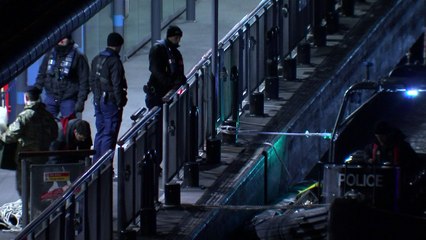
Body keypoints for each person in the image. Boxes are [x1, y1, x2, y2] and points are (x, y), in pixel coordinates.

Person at [0, 86, 58, 197]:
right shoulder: (48, 115)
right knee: (39, 189)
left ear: (26, 98)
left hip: (26, 160)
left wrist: (1, 133)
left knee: (25, 190)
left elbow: (9, 136)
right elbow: (54, 134)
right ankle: (37, 211)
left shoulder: (25, 116)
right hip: (43, 158)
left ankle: (29, 213)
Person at [364, 121, 424, 213]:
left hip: (399, 185)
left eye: (382, 136)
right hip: (377, 186)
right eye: (378, 137)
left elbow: (415, 162)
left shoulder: (402, 146)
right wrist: (369, 160)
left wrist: (404, 169)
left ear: (388, 135)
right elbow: (366, 155)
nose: (381, 140)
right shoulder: (372, 146)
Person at [90, 32, 127, 162]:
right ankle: (105, 166)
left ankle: (96, 164)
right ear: (118, 46)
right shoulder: (114, 62)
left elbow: (92, 81)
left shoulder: (96, 59)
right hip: (110, 102)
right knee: (109, 133)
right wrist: (119, 102)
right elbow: (117, 84)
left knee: (100, 132)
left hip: (98, 100)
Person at [35, 35, 90, 119]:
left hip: (69, 99)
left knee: (69, 127)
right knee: (46, 125)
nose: (61, 40)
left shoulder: (78, 56)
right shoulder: (50, 54)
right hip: (51, 97)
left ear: (69, 39)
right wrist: (35, 93)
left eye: (64, 37)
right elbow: (42, 74)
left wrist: (80, 101)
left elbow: (84, 81)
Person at [144, 25, 187, 109]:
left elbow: (179, 70)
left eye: (179, 38)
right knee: (158, 113)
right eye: (176, 37)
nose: (178, 40)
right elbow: (155, 69)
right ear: (170, 37)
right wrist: (169, 83)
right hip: (158, 91)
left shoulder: (175, 52)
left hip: (169, 90)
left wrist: (180, 81)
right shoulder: (158, 49)